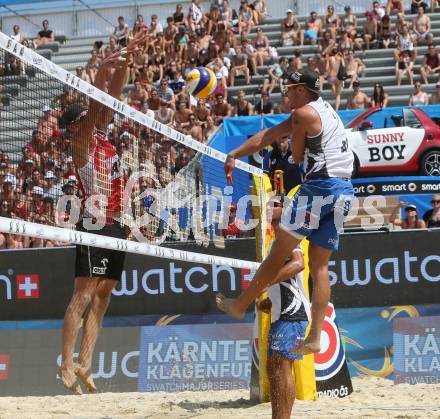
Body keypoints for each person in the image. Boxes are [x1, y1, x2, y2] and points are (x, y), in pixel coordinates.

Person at [217, 69, 354, 356]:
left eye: (290, 89)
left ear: (302, 90)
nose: (286, 94)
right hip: (345, 191)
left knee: (278, 253)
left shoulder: (303, 114)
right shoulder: (326, 111)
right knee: (319, 267)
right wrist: (235, 154)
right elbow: (268, 135)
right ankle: (315, 337)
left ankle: (241, 304)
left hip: (321, 188)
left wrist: (292, 146)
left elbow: (298, 157)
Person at [60, 33, 147, 395]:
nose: (96, 118)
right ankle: (65, 364)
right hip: (93, 222)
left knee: (104, 293)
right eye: (88, 118)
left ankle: (86, 364)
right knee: (83, 294)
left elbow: (109, 99)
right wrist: (103, 71)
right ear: (76, 125)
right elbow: (100, 100)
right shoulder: (80, 144)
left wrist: (125, 62)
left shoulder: (102, 138)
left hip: (115, 222)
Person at [256, 205, 309, 419]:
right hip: (286, 312)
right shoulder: (278, 242)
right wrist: (270, 302)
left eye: (275, 205)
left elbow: (299, 264)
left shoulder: (289, 238)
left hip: (292, 314)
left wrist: (267, 281)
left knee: (279, 367)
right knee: (279, 367)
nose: (270, 207)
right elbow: (287, 282)